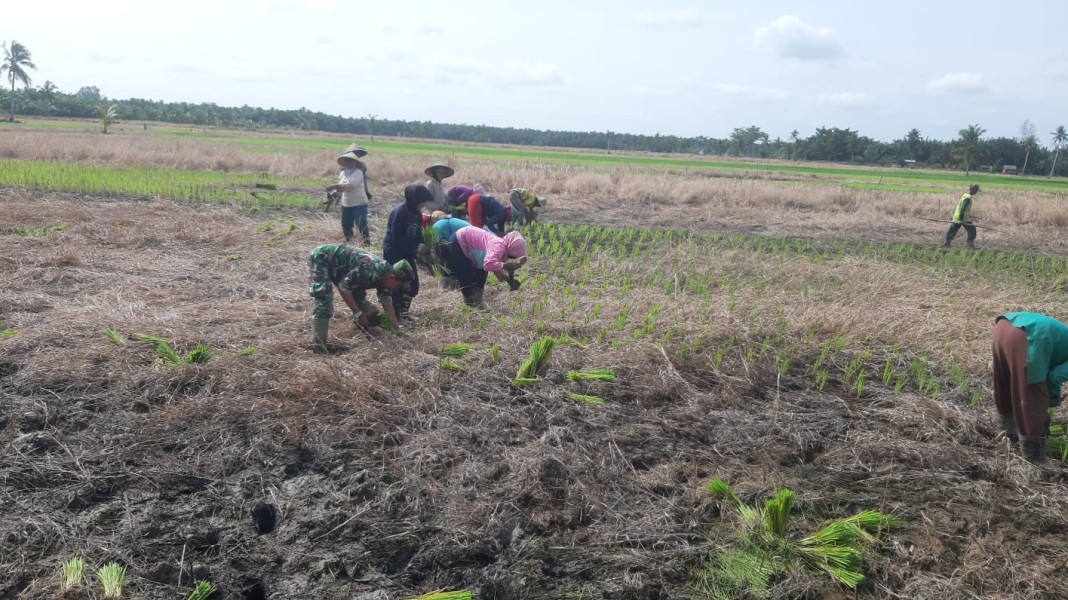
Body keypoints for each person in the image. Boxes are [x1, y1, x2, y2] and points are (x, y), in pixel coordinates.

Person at [991, 311, 1068, 469]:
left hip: (1004, 327)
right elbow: (1054, 379)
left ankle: (1008, 433)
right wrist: (1051, 401)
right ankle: (1035, 458)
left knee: (1007, 383)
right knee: (1034, 394)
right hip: (1029, 337)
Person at [307, 244, 415, 354]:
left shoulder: (385, 277)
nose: (398, 289)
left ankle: (366, 332)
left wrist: (397, 329)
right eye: (399, 286)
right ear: (392, 277)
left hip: (344, 270)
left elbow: (387, 302)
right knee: (324, 301)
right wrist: (357, 313)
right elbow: (344, 287)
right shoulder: (369, 269)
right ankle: (319, 348)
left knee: (369, 311)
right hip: (322, 259)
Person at [382, 185, 432, 323]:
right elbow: (396, 238)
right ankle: (396, 317)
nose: (423, 204)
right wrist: (416, 246)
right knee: (398, 284)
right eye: (422, 201)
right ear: (413, 199)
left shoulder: (417, 214)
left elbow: (417, 233)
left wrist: (425, 245)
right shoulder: (399, 213)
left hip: (407, 252)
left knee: (413, 282)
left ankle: (404, 313)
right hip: (394, 251)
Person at [446, 227, 528, 308]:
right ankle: (469, 302)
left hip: (467, 243)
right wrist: (505, 266)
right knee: (466, 273)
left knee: (481, 273)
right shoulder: (498, 246)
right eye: (512, 257)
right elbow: (488, 265)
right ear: (510, 249)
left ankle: (477, 301)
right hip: (459, 240)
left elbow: (494, 266)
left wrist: (507, 279)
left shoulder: (503, 248)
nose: (511, 259)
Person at [326, 145, 373, 244]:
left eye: (349, 161)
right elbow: (341, 187)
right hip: (346, 203)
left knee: (361, 224)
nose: (347, 163)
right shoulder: (343, 173)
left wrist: (335, 186)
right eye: (345, 161)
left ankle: (367, 243)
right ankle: (349, 242)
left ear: (354, 162)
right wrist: (335, 193)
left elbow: (351, 186)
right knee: (345, 224)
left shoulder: (358, 173)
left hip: (359, 203)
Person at [943, 184, 980, 249]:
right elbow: (963, 208)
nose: (976, 192)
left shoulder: (964, 195)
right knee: (972, 230)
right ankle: (970, 245)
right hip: (963, 218)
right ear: (973, 190)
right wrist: (961, 219)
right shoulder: (968, 198)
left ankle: (947, 244)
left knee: (952, 230)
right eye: (976, 190)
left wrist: (968, 215)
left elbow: (960, 207)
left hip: (957, 216)